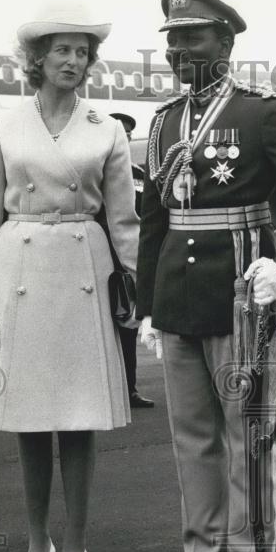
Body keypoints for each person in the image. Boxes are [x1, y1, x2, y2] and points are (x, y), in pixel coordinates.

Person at [138, 0, 276, 552]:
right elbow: (155, 221)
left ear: (225, 41)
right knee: (191, 439)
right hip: (178, 297)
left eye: (192, 36)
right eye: (172, 40)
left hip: (241, 295)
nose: (178, 50)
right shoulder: (164, 120)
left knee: (248, 436)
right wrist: (146, 307)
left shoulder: (262, 111)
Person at [0, 5, 139, 552]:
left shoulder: (106, 128)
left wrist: (146, 299)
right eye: (62, 50)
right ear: (37, 60)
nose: (74, 61)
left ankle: (77, 542)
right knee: (28, 418)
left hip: (82, 263)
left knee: (79, 418)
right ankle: (39, 540)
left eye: (82, 52)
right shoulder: (4, 126)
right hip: (20, 265)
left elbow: (125, 221)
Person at [105, 111, 154, 408]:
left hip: (128, 264)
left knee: (128, 325)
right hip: (99, 260)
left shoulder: (139, 174)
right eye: (116, 134)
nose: (122, 139)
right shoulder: (92, 172)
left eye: (127, 135)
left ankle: (128, 389)